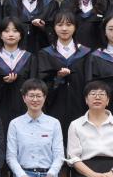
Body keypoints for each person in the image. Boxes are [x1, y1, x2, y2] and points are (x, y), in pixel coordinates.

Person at [36, 9, 91, 143]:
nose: (64, 28)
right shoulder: (45, 54)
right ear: (54, 27)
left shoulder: (85, 53)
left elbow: (89, 81)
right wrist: (57, 78)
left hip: (79, 104)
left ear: (75, 27)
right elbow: (42, 82)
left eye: (69, 24)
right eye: (60, 25)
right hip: (54, 104)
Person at [0, 16, 37, 124]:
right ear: (0, 35)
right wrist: (1, 82)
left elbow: (34, 84)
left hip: (23, 109)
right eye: (6, 31)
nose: (11, 34)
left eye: (15, 31)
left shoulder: (29, 58)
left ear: (21, 35)